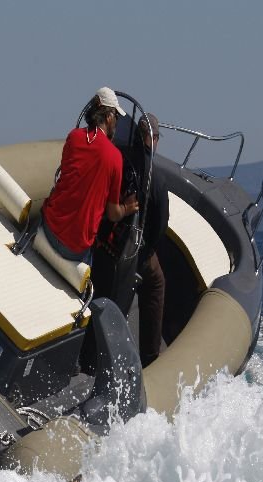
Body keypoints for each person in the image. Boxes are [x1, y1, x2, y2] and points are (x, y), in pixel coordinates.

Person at [41, 87, 139, 263]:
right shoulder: (115, 157)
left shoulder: (74, 137)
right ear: (108, 117)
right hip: (74, 249)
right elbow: (113, 214)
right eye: (116, 117)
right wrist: (127, 208)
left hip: (49, 228)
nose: (116, 123)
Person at [135, 113, 169, 367]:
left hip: (111, 245)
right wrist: (149, 250)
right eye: (156, 137)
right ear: (152, 138)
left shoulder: (122, 160)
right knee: (157, 283)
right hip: (137, 251)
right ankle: (150, 357)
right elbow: (160, 223)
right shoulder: (155, 177)